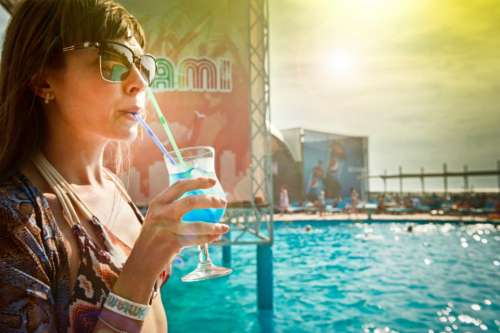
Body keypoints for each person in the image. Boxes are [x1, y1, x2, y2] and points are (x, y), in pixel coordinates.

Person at [0, 1, 229, 332]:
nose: (139, 81)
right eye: (113, 60)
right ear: (42, 80)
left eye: (142, 65)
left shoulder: (113, 187)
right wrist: (142, 267)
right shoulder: (14, 222)